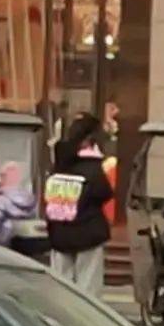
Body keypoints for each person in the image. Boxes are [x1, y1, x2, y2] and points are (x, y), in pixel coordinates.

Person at [43, 113, 114, 295]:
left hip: (59, 232)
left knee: (60, 286)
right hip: (88, 232)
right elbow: (104, 193)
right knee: (88, 286)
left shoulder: (58, 166)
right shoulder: (92, 168)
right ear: (89, 140)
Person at [0, 161, 40, 250]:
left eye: (1, 175)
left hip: (2, 245)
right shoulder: (31, 199)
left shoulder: (0, 199)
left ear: (3, 177)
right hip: (25, 246)